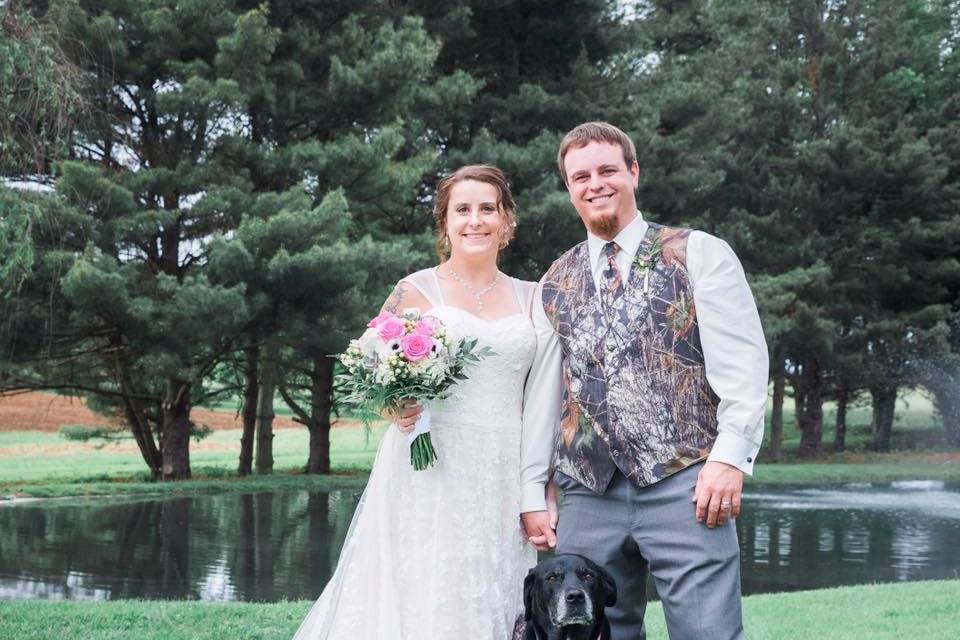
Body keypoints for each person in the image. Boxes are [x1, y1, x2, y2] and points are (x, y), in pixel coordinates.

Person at [520, 122, 769, 639]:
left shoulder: (699, 252)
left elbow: (743, 366)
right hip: (587, 491)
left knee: (708, 633)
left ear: (633, 172)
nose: (595, 184)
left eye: (608, 170)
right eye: (580, 176)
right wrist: (534, 484)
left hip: (686, 484)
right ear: (569, 189)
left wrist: (729, 458)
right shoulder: (552, 282)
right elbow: (546, 393)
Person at [292, 165, 538, 639]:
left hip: (504, 466)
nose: (475, 220)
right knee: (426, 578)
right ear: (445, 223)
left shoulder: (532, 297)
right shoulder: (417, 289)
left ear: (507, 221)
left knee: (493, 580)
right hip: (430, 462)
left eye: (488, 209)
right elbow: (368, 368)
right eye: (462, 210)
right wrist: (394, 406)